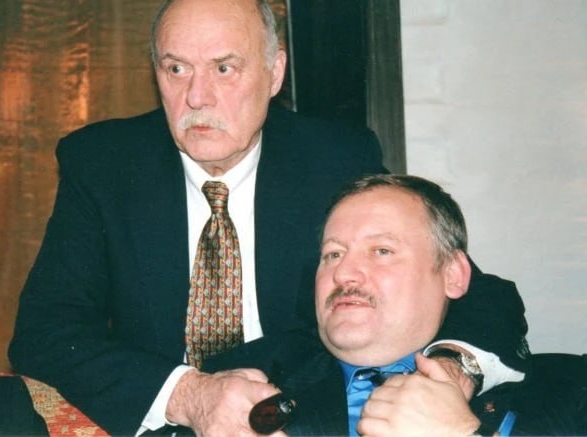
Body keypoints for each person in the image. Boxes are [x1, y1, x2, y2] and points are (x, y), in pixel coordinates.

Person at [9, 0, 527, 435]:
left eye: (224, 68)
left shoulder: (333, 159)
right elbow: (45, 333)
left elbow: (470, 289)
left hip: (300, 417)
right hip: (162, 418)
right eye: (176, 68)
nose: (197, 96)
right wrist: (190, 395)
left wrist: (452, 369)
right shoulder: (105, 163)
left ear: (274, 72)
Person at [204, 174, 587, 437]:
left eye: (382, 251)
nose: (344, 273)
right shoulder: (231, 396)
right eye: (333, 254)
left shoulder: (571, 391)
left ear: (453, 275)